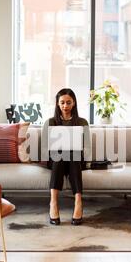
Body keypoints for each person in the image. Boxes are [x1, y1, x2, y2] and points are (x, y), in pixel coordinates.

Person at [41, 88, 91, 226]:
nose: (65, 106)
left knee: (73, 154)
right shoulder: (50, 122)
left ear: (74, 103)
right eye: (62, 102)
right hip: (56, 159)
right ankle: (53, 203)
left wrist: (85, 158)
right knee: (59, 155)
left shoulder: (82, 122)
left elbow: (87, 146)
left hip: (75, 160)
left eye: (68, 102)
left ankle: (78, 202)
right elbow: (44, 148)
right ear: (57, 103)